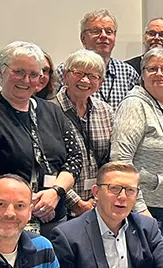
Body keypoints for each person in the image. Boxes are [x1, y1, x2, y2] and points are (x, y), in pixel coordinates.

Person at [0, 41, 81, 234]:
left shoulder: (53, 112)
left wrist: (56, 192)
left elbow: (74, 159)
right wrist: (24, 203)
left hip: (52, 215)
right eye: (19, 72)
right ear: (0, 72)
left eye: (33, 74)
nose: (26, 80)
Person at [110, 48, 163, 253]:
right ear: (142, 74)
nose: (160, 73)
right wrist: (138, 206)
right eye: (153, 69)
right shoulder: (134, 106)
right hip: (149, 206)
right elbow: (120, 161)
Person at [51, 49, 114, 220]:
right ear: (65, 75)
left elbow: (111, 158)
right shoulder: (49, 111)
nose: (85, 80)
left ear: (100, 82)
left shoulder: (105, 111)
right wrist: (76, 203)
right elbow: (49, 165)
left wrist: (101, 197)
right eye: (78, 73)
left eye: (93, 76)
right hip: (61, 206)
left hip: (99, 204)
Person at [72, 9, 138, 108]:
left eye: (109, 32)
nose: (103, 35)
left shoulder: (128, 73)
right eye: (96, 31)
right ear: (83, 38)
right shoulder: (67, 70)